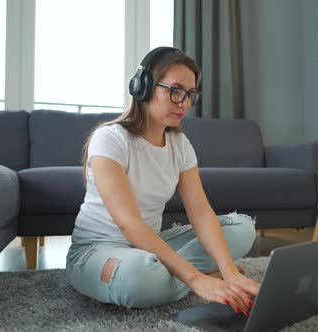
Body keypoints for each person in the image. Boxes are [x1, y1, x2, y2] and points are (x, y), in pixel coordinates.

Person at [65, 47, 259, 316]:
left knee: (243, 228)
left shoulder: (179, 143)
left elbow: (201, 212)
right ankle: (196, 277)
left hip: (153, 245)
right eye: (176, 91)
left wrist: (229, 272)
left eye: (190, 94)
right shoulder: (109, 139)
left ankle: (185, 274)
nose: (186, 103)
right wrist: (196, 279)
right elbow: (129, 224)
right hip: (96, 251)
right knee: (137, 277)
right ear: (143, 87)